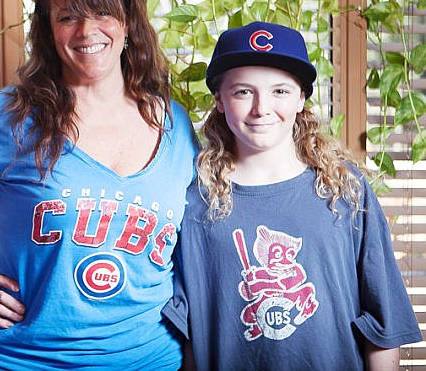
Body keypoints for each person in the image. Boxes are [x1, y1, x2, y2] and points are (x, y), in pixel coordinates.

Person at [0, 0, 199, 370]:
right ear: (50, 32)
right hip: (20, 360)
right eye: (68, 17)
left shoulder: (175, 124)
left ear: (127, 25)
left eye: (103, 12)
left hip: (149, 360)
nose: (87, 31)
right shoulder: (5, 119)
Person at [163, 21, 422, 370]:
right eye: (242, 91)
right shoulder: (195, 201)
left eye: (280, 91)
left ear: (301, 98)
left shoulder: (344, 189)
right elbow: (189, 334)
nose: (261, 108)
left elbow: (382, 324)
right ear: (220, 101)